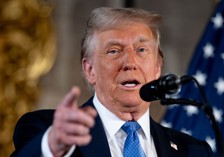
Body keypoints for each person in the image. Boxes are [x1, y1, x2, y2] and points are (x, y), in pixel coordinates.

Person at [11, 7, 213, 157]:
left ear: (158, 67)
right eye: (114, 51)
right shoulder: (46, 130)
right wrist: (52, 145)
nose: (130, 62)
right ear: (90, 70)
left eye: (141, 50)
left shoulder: (193, 151)